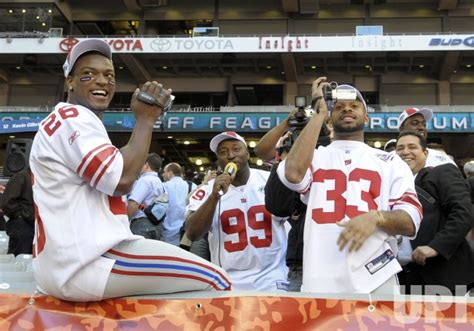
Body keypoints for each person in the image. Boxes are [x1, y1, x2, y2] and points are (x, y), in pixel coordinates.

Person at [29, 39, 231, 302]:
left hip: (63, 263)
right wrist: (146, 119)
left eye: (109, 75)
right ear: (70, 81)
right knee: (217, 279)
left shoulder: (64, 119)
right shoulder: (74, 117)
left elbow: (114, 168)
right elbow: (121, 179)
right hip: (88, 260)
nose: (102, 81)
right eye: (88, 74)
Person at [277, 77, 422, 295]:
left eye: (355, 105)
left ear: (366, 116)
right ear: (329, 117)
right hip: (320, 277)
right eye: (339, 107)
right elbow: (293, 174)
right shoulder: (314, 156)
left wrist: (377, 217)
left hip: (376, 276)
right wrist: (319, 114)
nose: (347, 109)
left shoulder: (391, 161)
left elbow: (411, 220)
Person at [185, 131, 289, 291]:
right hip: (227, 282)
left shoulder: (269, 179)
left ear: (247, 154)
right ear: (218, 160)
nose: (231, 155)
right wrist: (214, 196)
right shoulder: (207, 190)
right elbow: (192, 233)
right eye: (223, 152)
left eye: (236, 149)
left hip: (271, 278)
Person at [395, 131, 474, 294]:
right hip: (402, 279)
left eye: (412, 147)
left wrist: (435, 247)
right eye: (400, 148)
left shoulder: (440, 173)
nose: (405, 152)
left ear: (425, 153)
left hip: (444, 277)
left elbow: (463, 212)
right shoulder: (388, 185)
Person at [127, 153, 165, 240]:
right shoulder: (159, 182)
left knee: (138, 253)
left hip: (141, 224)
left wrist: (125, 219)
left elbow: (134, 203)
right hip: (156, 225)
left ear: (147, 165)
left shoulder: (144, 180)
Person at [2, 168, 35, 256]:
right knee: (20, 259)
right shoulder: (21, 176)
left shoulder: (40, 179)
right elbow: (7, 203)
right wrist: (22, 214)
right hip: (21, 226)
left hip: (34, 225)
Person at [161, 162, 189, 246]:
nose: (163, 175)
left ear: (170, 173)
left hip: (167, 228)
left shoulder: (165, 186)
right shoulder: (191, 185)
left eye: (164, 172)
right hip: (184, 229)